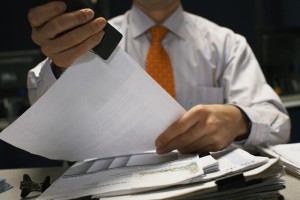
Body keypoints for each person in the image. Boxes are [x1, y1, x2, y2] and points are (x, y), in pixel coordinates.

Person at [27, 0, 290, 155]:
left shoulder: (226, 44)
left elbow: (278, 122)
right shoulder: (90, 39)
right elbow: (39, 108)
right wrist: (61, 68)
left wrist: (238, 120)